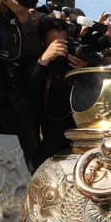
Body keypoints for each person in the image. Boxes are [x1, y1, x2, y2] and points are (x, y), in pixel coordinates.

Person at [31, 17, 88, 168]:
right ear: (43, 44)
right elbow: (26, 87)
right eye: (54, 44)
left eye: (63, 42)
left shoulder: (74, 59)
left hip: (78, 130)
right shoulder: (38, 62)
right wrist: (44, 60)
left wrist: (85, 69)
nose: (60, 48)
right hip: (51, 132)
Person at [0, 0, 41, 166]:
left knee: (25, 152)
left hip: (17, 98)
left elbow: (32, 51)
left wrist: (22, 16)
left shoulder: (29, 18)